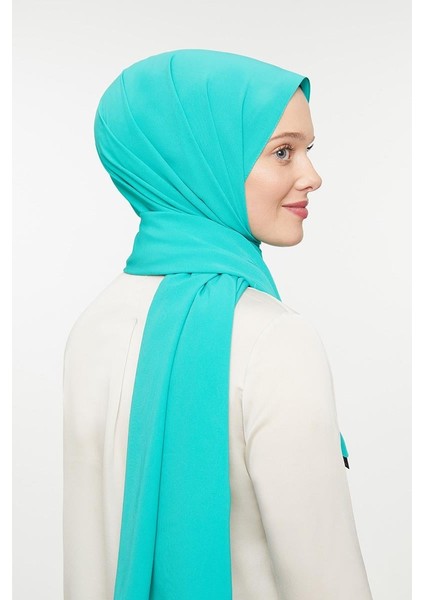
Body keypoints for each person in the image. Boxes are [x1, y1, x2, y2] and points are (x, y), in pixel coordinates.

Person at [62, 48, 373, 599]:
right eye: (283, 152)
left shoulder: (92, 328)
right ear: (201, 160)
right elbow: (328, 583)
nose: (312, 176)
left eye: (308, 150)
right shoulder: (274, 340)